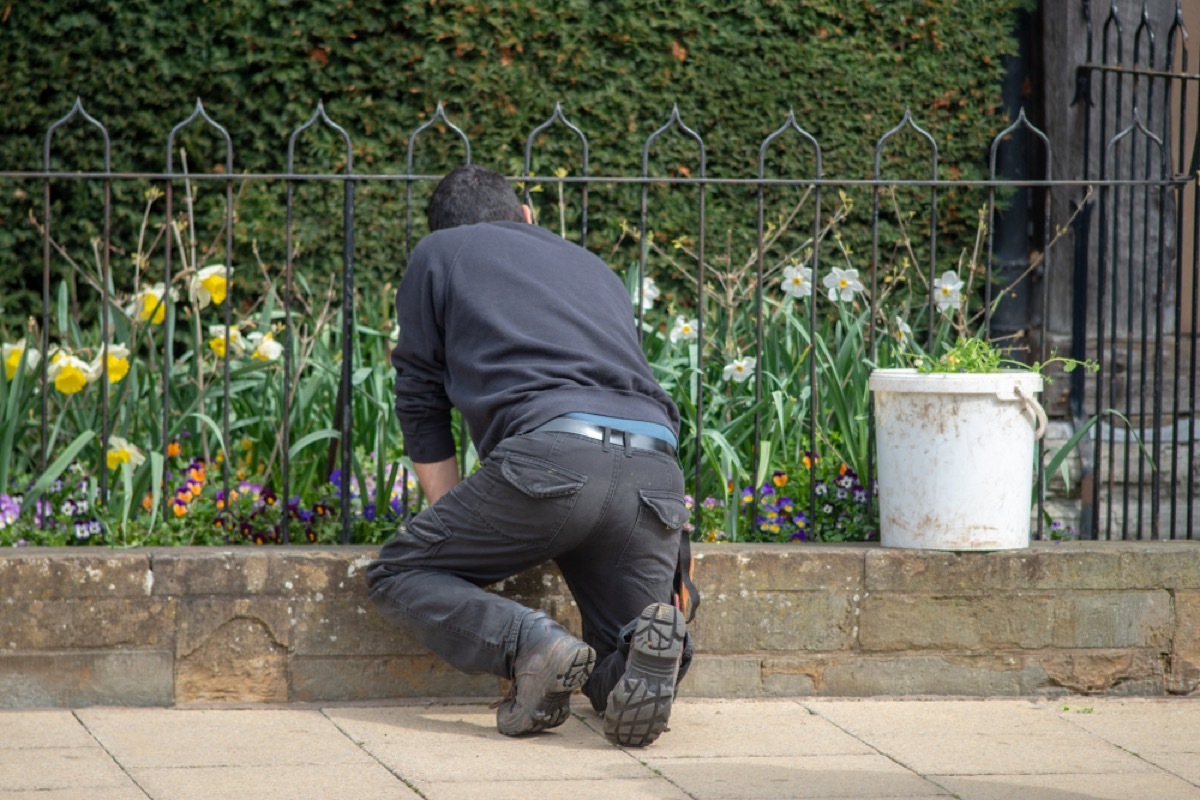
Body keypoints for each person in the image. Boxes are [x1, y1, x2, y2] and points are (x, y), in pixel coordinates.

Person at [366, 164, 694, 747]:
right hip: (655, 462)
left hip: (553, 456)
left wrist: (452, 526)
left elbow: (419, 397)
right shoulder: (592, 265)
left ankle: (533, 646)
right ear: (526, 216)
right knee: (624, 635)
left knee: (400, 571)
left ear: (443, 226)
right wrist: (677, 552)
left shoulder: (439, 253)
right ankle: (635, 660)